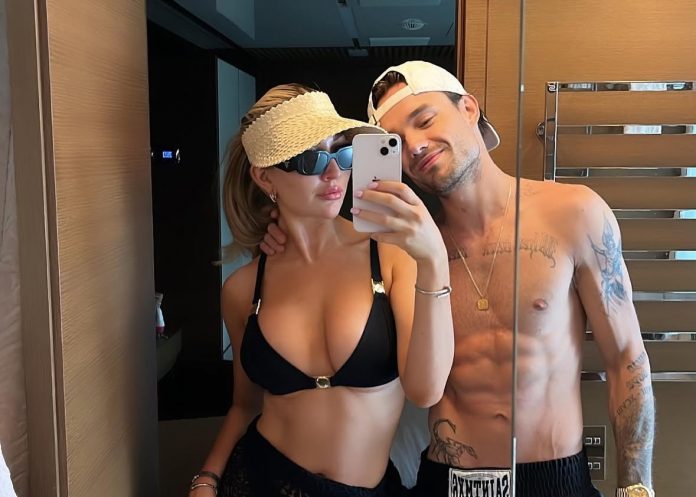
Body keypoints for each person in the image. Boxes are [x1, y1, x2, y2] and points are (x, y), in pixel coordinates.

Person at [262, 62, 655, 497]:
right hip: (445, 480)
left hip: (552, 477)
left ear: (468, 108)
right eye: (396, 142)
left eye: (425, 120)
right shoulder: (403, 247)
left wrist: (635, 487)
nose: (415, 146)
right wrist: (276, 226)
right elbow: (316, 257)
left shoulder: (574, 214)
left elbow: (626, 358)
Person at [188, 84, 454, 497]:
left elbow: (425, 390)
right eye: (310, 159)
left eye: (342, 153)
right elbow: (245, 404)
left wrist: (434, 259)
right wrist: (207, 479)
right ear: (264, 176)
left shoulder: (390, 258)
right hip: (260, 481)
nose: (334, 174)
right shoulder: (242, 289)